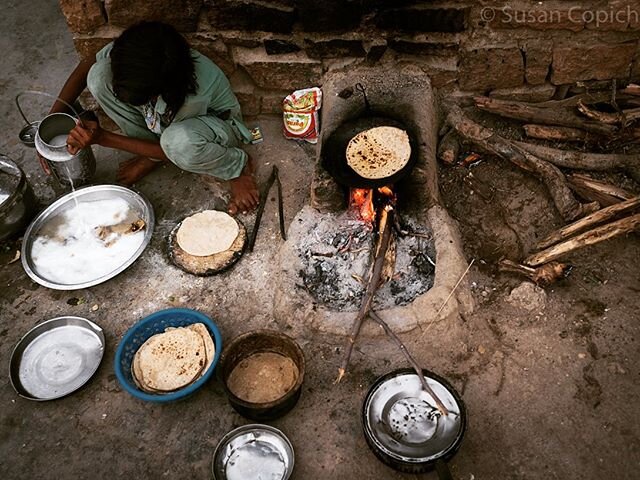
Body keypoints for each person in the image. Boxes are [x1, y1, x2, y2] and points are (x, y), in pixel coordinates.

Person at [48, 21, 259, 214]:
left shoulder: (192, 98)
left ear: (159, 90)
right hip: (166, 118)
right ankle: (147, 151)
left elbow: (171, 149)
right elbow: (87, 65)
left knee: (177, 142)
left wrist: (103, 138)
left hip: (214, 128)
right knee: (98, 75)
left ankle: (237, 166)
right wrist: (53, 118)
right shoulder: (136, 53)